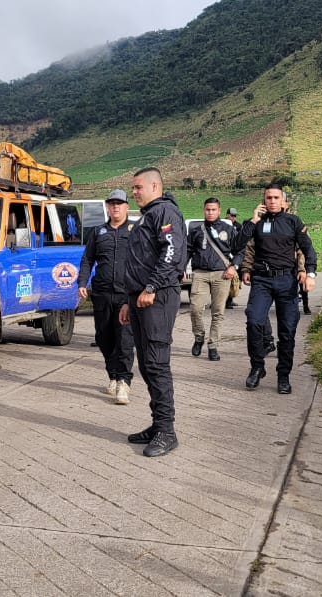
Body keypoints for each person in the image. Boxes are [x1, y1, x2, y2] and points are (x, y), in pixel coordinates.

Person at [119, 167, 188, 457]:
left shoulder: (165, 213)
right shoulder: (149, 215)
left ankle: (167, 431)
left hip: (156, 297)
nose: (133, 193)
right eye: (133, 188)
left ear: (155, 186)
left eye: (138, 188)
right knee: (146, 363)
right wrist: (128, 299)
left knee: (157, 362)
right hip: (140, 297)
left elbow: (172, 254)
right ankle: (157, 423)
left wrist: (151, 288)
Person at [236, 185, 316, 394]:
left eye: (275, 198)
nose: (272, 201)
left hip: (286, 281)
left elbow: (307, 248)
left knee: (287, 331)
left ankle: (283, 376)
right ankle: (257, 367)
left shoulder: (293, 222)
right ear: (263, 201)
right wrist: (252, 221)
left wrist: (310, 273)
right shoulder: (257, 223)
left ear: (283, 201)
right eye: (268, 198)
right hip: (262, 280)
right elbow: (239, 243)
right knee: (253, 320)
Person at [78, 189, 136, 404]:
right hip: (101, 294)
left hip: (125, 296)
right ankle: (113, 375)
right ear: (108, 207)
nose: (115, 207)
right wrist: (82, 282)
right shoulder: (98, 232)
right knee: (104, 338)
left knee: (125, 340)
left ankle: (124, 382)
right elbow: (87, 259)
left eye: (119, 204)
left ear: (126, 206)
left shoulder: (135, 230)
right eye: (112, 204)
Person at [186, 198, 238, 361]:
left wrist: (233, 266)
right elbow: (187, 250)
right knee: (195, 309)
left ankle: (213, 345)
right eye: (208, 209)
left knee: (218, 312)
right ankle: (199, 337)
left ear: (219, 210)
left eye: (213, 210)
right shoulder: (196, 230)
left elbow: (240, 250)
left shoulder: (228, 229)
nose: (210, 212)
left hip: (221, 274)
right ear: (204, 210)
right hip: (200, 273)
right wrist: (180, 267)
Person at [225, 207, 243, 309]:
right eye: (231, 215)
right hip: (224, 256)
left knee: (234, 281)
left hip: (234, 257)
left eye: (234, 216)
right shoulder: (223, 224)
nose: (233, 217)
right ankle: (224, 301)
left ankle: (230, 300)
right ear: (227, 214)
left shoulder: (238, 226)